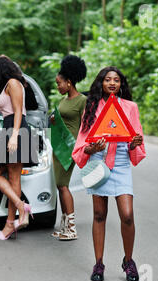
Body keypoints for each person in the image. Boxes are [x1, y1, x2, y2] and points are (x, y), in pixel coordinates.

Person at [72, 66, 146, 281]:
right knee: (99, 214)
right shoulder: (92, 106)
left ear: (121, 84)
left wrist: (134, 142)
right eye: (107, 80)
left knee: (127, 215)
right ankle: (99, 263)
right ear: (101, 84)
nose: (112, 83)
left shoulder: (130, 107)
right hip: (99, 163)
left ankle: (128, 261)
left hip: (122, 163)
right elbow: (84, 142)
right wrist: (91, 149)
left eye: (116, 80)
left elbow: (136, 137)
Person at [0, 55, 38, 240]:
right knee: (0, 174)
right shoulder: (8, 85)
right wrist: (3, 139)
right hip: (8, 130)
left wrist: (14, 136)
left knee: (11, 177)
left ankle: (11, 222)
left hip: (17, 130)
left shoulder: (13, 83)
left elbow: (18, 112)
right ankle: (19, 208)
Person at [49, 55, 87, 241]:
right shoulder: (64, 101)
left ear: (69, 82)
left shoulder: (82, 101)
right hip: (59, 146)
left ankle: (71, 228)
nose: (58, 87)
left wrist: (82, 148)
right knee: (59, 185)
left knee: (63, 186)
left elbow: (85, 127)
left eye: (59, 83)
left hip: (70, 148)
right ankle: (64, 226)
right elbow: (63, 119)